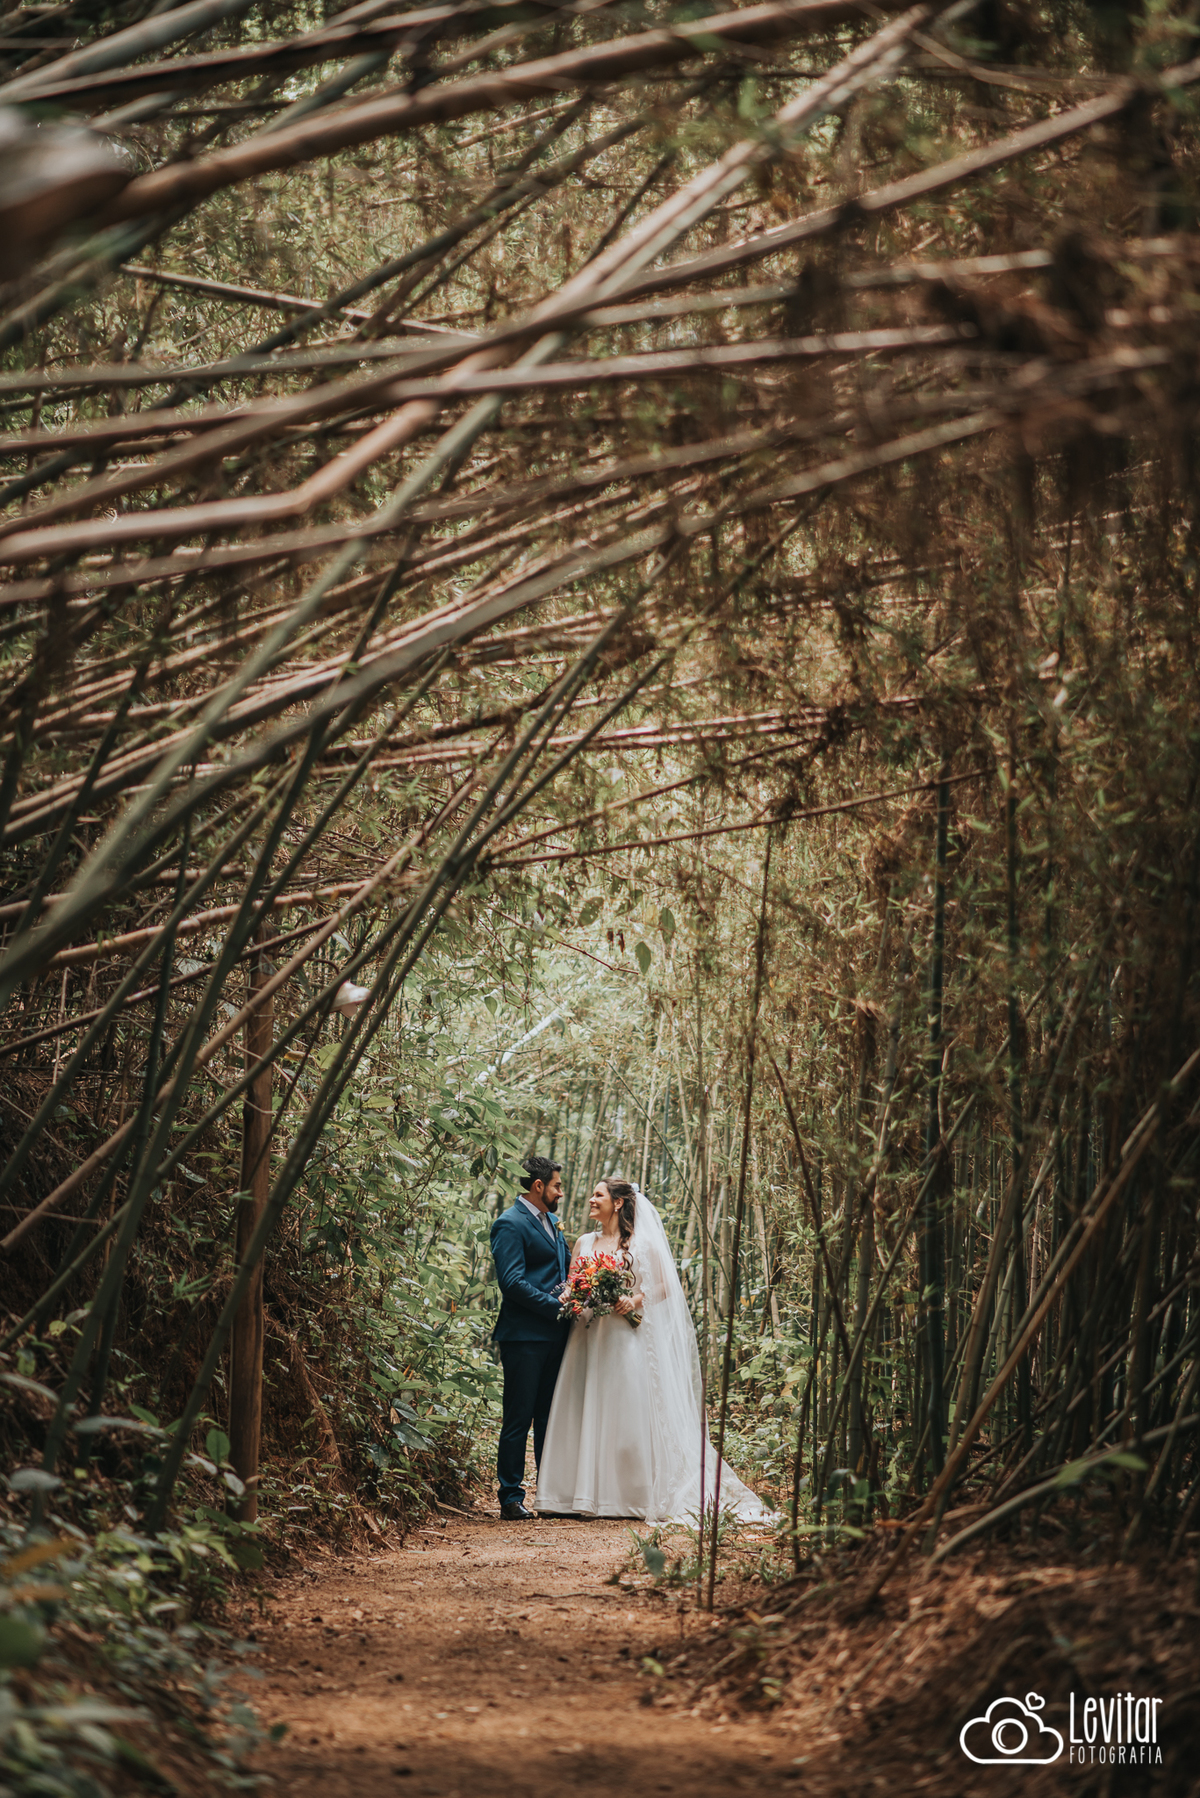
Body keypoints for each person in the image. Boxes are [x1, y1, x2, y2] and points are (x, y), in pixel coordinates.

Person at [534, 1177, 771, 1523]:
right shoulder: (584, 1242)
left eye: (598, 1195)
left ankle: (629, 1496)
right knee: (581, 1406)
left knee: (625, 1413)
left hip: (625, 1338)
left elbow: (665, 1284)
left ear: (617, 1203)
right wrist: (574, 1297)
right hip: (588, 1334)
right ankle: (573, 1495)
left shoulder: (642, 1243)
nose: (590, 1199)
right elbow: (573, 1283)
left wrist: (635, 1299)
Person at [489, 1153, 571, 1521]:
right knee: (518, 1417)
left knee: (548, 1417)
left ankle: (548, 1494)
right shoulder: (509, 1223)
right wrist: (556, 1306)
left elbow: (564, 1269)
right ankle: (510, 1496)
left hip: (557, 1335)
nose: (561, 1192)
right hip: (523, 1337)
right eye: (557, 1185)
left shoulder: (552, 1223)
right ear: (539, 1186)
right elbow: (512, 1283)